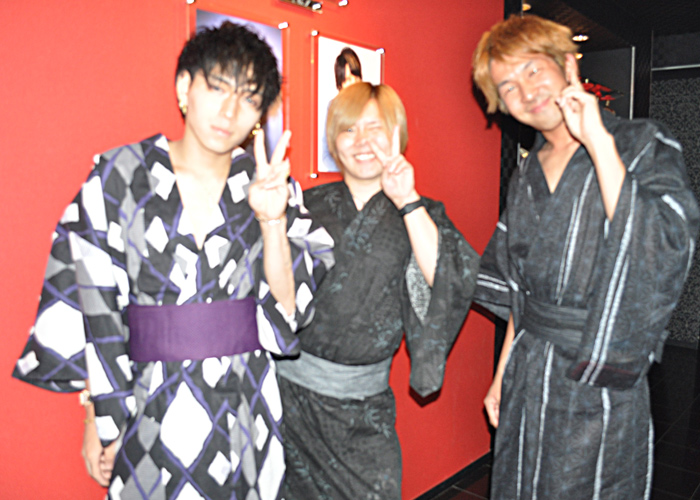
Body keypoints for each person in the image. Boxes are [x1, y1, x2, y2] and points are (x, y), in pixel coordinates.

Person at [12, 22, 334, 500]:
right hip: (147, 404)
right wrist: (96, 417)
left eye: (249, 98)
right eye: (218, 87)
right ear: (185, 87)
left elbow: (287, 315)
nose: (230, 111)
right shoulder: (120, 176)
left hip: (245, 404)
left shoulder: (272, 185)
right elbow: (93, 305)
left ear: (260, 113)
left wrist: (271, 220)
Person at [471, 14, 698, 499]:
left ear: (568, 65)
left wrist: (596, 139)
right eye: (507, 86)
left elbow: (662, 244)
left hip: (600, 367)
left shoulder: (642, 143)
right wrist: (500, 377)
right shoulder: (525, 177)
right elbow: (518, 291)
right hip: (529, 369)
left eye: (533, 70)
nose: (525, 92)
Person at [277, 82, 480, 499]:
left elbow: (450, 280)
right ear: (334, 141)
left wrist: (407, 200)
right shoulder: (304, 206)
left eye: (375, 128)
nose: (362, 141)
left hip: (364, 410)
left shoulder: (420, 212)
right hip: (290, 402)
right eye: (349, 130)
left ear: (397, 135)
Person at [320, 47, 363, 173]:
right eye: (348, 79)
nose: (354, 83)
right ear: (340, 84)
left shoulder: (369, 107)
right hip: (341, 176)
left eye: (356, 78)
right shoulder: (332, 108)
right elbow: (326, 154)